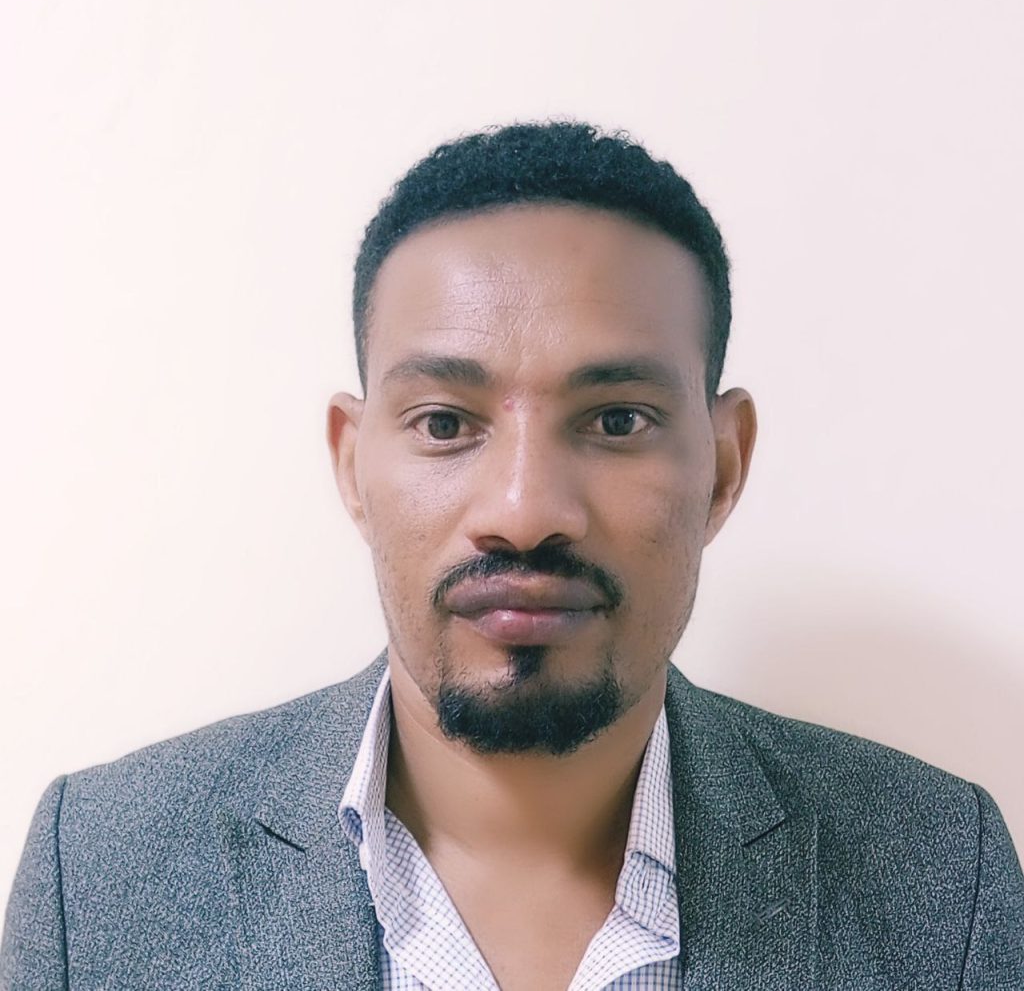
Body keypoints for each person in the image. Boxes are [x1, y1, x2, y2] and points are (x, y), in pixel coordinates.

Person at [2, 121, 1022, 990]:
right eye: (446, 422)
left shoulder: (945, 876)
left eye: (616, 419)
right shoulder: (95, 871)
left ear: (722, 465)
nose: (525, 511)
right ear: (353, 466)